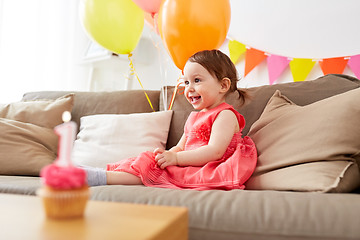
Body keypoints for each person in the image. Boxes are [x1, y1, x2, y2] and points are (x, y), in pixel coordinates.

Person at [86, 49, 257, 190]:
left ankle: (98, 178)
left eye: (196, 80)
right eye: (186, 82)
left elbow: (215, 151)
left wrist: (175, 159)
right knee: (148, 160)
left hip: (206, 169)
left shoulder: (225, 114)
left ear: (223, 85)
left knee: (153, 170)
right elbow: (181, 146)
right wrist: (168, 155)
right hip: (187, 163)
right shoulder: (194, 117)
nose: (189, 88)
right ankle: (97, 174)